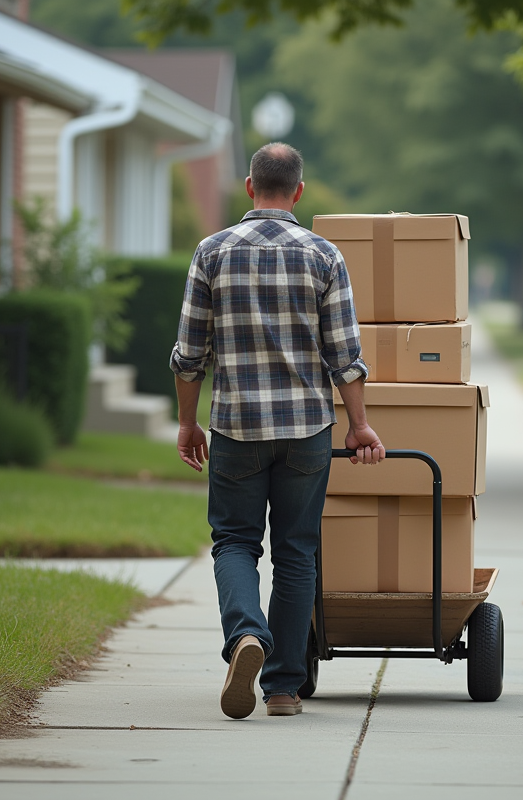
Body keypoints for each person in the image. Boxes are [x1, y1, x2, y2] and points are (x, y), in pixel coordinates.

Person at [171, 142, 385, 720]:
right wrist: (360, 425)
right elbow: (346, 355)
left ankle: (246, 635)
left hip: (237, 428)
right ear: (298, 192)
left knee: (236, 542)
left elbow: (189, 355)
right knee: (297, 553)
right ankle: (285, 687)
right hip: (306, 432)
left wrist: (189, 424)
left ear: (248, 187)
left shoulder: (211, 253)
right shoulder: (323, 256)